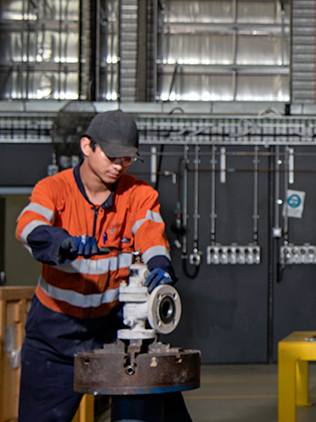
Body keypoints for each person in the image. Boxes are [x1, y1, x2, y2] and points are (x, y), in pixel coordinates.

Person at [15, 109, 190, 422]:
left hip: (112, 330)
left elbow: (151, 236)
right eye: (112, 157)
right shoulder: (53, 189)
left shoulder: (138, 194)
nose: (118, 166)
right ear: (87, 146)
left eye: (126, 159)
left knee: (166, 412)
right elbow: (28, 227)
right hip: (54, 334)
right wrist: (61, 241)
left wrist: (161, 267)